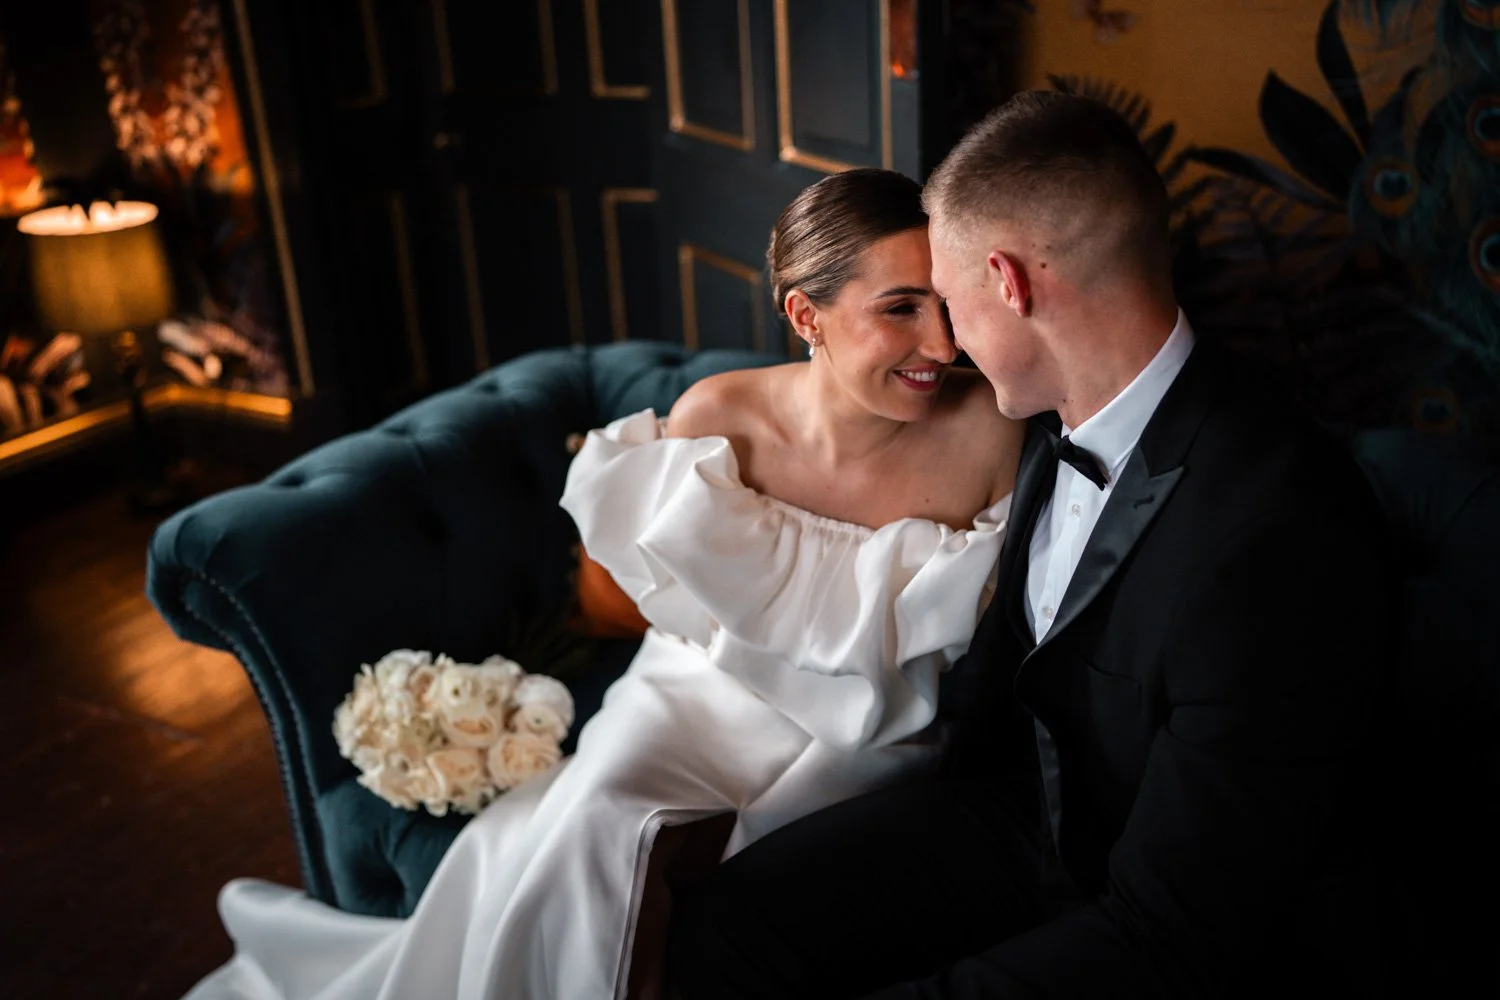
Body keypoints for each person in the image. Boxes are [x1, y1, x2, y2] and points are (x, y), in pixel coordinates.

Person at [179, 167, 1026, 1000]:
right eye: (901, 308)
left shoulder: (992, 432)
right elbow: (675, 607)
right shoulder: (716, 419)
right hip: (700, 690)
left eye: (946, 305)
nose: (943, 346)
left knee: (750, 877)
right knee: (598, 829)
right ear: (807, 314)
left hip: (866, 732)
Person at [665, 91, 1393, 999]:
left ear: (1007, 283)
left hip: (1158, 913)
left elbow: (1179, 930)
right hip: (1014, 822)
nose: (948, 340)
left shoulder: (1278, 532)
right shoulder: (1042, 422)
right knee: (724, 929)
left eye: (951, 299)